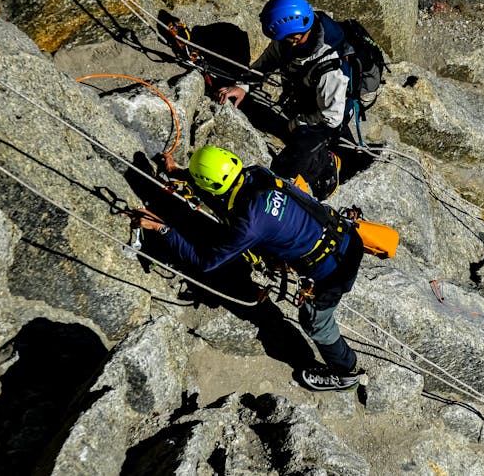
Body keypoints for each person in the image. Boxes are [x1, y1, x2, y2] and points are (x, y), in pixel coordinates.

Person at [134, 145, 366, 391]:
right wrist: (179, 172)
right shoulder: (257, 173)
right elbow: (223, 190)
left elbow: (205, 261)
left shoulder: (250, 225)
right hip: (346, 237)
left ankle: (345, 372)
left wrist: (163, 229)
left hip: (334, 272)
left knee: (314, 321)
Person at [216, 0, 355, 201]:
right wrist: (242, 86)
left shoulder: (329, 68)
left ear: (296, 35)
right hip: (307, 103)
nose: (276, 42)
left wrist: (296, 124)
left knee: (285, 167)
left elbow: (332, 117)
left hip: (328, 117)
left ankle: (327, 166)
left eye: (280, 37)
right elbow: (265, 63)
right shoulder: (289, 42)